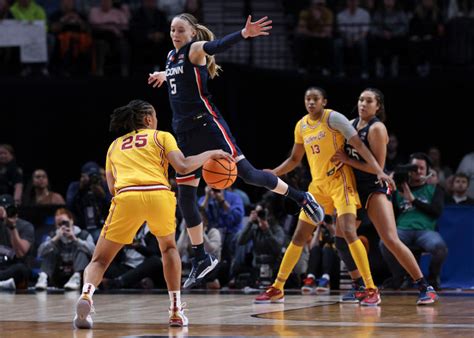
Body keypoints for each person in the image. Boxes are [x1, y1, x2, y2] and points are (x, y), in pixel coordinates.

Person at [148, 13, 324, 289]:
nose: (175, 34)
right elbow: (177, 77)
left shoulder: (194, 50)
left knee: (249, 175)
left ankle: (301, 197)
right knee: (185, 199)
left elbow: (215, 47)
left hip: (207, 126)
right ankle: (200, 257)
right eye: (172, 29)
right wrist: (162, 73)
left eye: (180, 30)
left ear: (193, 33)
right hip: (184, 133)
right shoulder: (172, 56)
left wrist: (243, 34)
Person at [72, 99, 234, 329]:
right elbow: (184, 166)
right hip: (158, 194)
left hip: (127, 196)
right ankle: (176, 311)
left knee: (99, 259)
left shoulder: (114, 146)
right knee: (168, 249)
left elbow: (111, 188)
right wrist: (211, 153)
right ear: (148, 119)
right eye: (155, 117)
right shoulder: (161, 136)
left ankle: (87, 295)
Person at [254, 87, 394, 306]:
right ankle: (277, 288)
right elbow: (294, 159)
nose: (311, 102)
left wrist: (378, 170)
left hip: (341, 182)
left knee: (348, 232)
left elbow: (358, 145)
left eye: (315, 99)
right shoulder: (301, 125)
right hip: (318, 187)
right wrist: (274, 172)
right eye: (307, 98)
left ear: (324, 101)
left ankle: (371, 288)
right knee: (299, 237)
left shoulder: (334, 118)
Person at [333, 88, 438, 305]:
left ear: (378, 106)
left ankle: (424, 286)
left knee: (390, 239)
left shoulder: (377, 128)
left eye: (369, 101)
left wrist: (347, 159)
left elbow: (378, 167)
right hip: (353, 189)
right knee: (340, 240)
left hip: (374, 188)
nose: (363, 103)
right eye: (361, 99)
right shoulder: (350, 124)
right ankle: (359, 286)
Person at [379, 152, 448, 291]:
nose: (418, 171)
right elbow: (389, 211)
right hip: (402, 229)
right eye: (414, 167)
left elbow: (437, 212)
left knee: (440, 248)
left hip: (425, 231)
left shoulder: (434, 189)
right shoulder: (399, 189)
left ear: (428, 171)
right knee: (384, 243)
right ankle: (400, 278)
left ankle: (433, 278)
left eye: (422, 168)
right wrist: (390, 188)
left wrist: (413, 200)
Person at [35, 207, 94, 290]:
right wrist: (55, 239)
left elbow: (94, 252)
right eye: (59, 224)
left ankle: (76, 278)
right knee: (49, 250)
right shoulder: (53, 236)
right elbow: (40, 253)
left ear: (71, 220)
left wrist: (76, 240)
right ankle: (43, 278)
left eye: (65, 223)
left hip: (78, 274)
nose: (62, 226)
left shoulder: (83, 234)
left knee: (82, 250)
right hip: (59, 273)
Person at [0, 194, 35, 290]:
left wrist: (12, 227)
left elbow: (20, 253)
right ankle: (3, 284)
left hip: (14, 267)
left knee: (20, 269)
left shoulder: (25, 226)